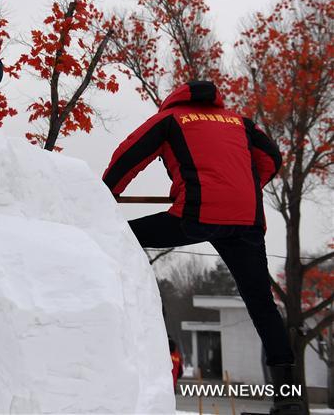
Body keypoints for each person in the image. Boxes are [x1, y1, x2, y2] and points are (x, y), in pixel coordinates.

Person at [102, 80, 302, 415]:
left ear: (174, 99)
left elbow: (129, 155)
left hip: (197, 212)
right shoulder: (240, 122)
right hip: (246, 219)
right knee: (262, 305)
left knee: (118, 233)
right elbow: (272, 157)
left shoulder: (171, 118)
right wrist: (244, 189)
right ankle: (288, 396)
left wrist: (104, 194)